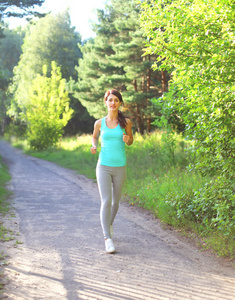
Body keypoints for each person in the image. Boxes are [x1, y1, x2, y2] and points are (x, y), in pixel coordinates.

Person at [90, 89, 133, 253]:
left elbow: (131, 141)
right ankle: (107, 238)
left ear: (120, 103)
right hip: (103, 166)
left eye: (116, 100)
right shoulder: (99, 123)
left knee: (115, 202)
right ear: (106, 102)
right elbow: (94, 136)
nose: (113, 103)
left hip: (120, 167)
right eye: (110, 100)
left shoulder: (126, 123)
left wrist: (128, 139)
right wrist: (94, 145)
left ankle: (108, 223)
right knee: (106, 201)